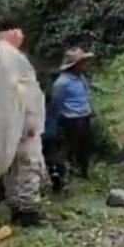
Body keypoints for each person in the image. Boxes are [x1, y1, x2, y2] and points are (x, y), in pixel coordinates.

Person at [0, 19, 48, 226]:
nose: (21, 36)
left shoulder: (9, 55)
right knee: (28, 166)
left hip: (13, 123)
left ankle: (17, 207)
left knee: (12, 169)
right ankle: (28, 212)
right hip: (22, 123)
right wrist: (29, 123)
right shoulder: (8, 55)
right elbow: (19, 92)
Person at [50, 47, 96, 180]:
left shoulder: (81, 77)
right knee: (75, 146)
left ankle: (83, 171)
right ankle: (73, 171)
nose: (85, 65)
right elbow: (56, 101)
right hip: (72, 119)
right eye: (82, 62)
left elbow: (86, 94)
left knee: (86, 146)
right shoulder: (62, 82)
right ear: (75, 65)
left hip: (84, 116)